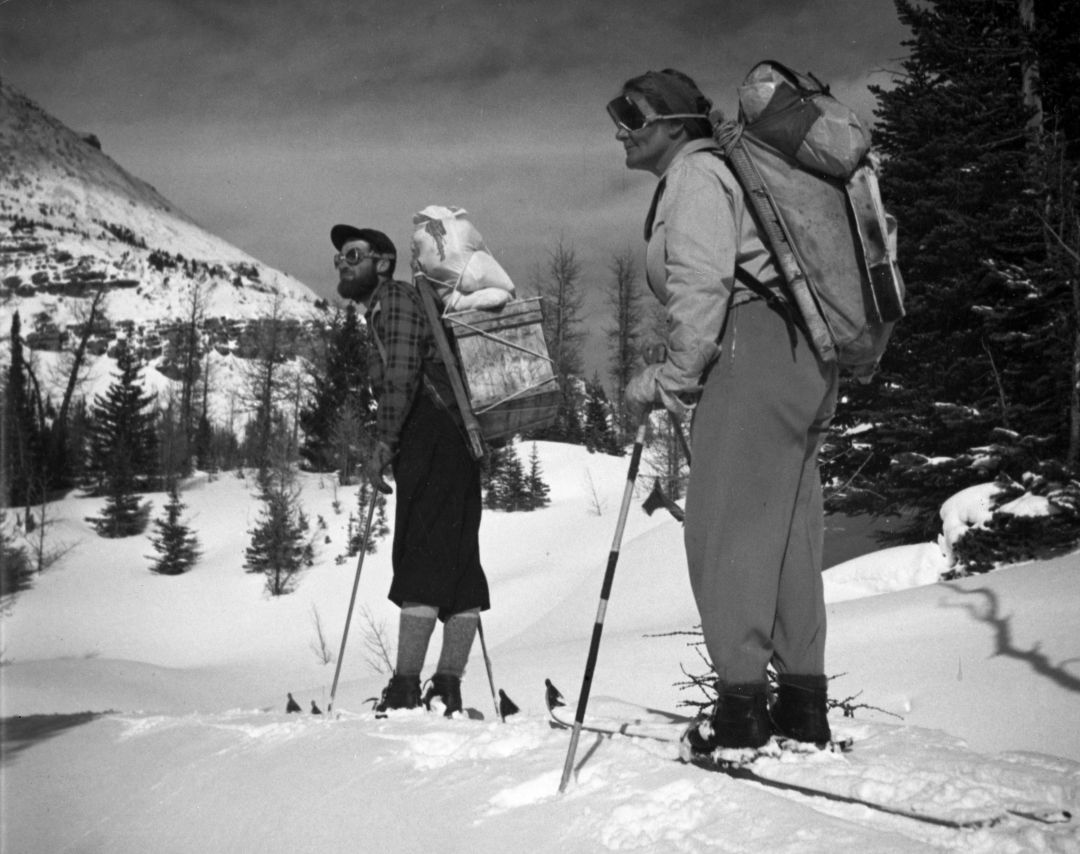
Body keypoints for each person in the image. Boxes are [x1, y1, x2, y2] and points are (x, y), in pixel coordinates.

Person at [610, 69, 839, 750]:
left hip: (751, 352)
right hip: (803, 356)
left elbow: (704, 279)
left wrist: (673, 375)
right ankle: (802, 703)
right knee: (790, 534)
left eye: (632, 113)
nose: (620, 128)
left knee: (727, 530)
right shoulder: (729, 173)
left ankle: (741, 712)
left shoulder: (696, 175)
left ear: (674, 124)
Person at [332, 224, 490, 717]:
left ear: (382, 262)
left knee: (420, 556)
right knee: (459, 563)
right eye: (339, 258)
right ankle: (447, 686)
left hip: (431, 434)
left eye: (353, 254)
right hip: (457, 438)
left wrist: (385, 442)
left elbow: (400, 377)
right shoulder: (393, 303)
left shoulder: (394, 301)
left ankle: (404, 688)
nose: (343, 263)